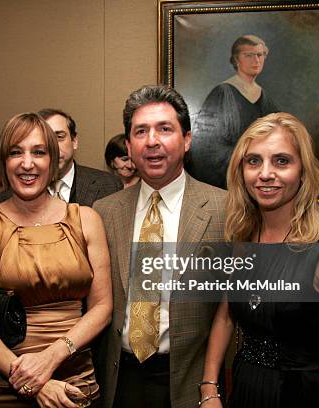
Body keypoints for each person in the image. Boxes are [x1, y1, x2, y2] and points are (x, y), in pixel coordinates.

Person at [201, 112, 319, 407]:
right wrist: (209, 390)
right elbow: (226, 314)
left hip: (305, 395)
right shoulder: (243, 241)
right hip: (245, 391)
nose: (265, 173)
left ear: (303, 171)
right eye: (253, 161)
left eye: (282, 161)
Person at [93, 85, 227, 408]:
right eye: (141, 131)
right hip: (118, 378)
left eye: (165, 129)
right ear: (128, 145)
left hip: (188, 380)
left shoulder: (225, 209)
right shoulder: (104, 211)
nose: (152, 141)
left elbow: (241, 301)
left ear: (187, 139)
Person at [0, 112, 112, 407]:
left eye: (39, 152)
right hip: (3, 380)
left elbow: (102, 307)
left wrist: (52, 356)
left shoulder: (86, 219)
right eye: (15, 152)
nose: (27, 163)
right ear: (3, 162)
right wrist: (28, 378)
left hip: (74, 375)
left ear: (53, 159)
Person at [188, 34, 279, 189]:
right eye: (249, 55)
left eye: (260, 55)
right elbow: (207, 149)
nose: (256, 60)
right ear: (237, 60)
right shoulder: (223, 93)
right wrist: (246, 160)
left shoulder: (265, 97)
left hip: (261, 179)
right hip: (230, 181)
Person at [0, 108, 122, 206]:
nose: (53, 147)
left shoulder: (108, 185)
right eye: (45, 141)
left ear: (74, 141)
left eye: (59, 137)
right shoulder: (7, 198)